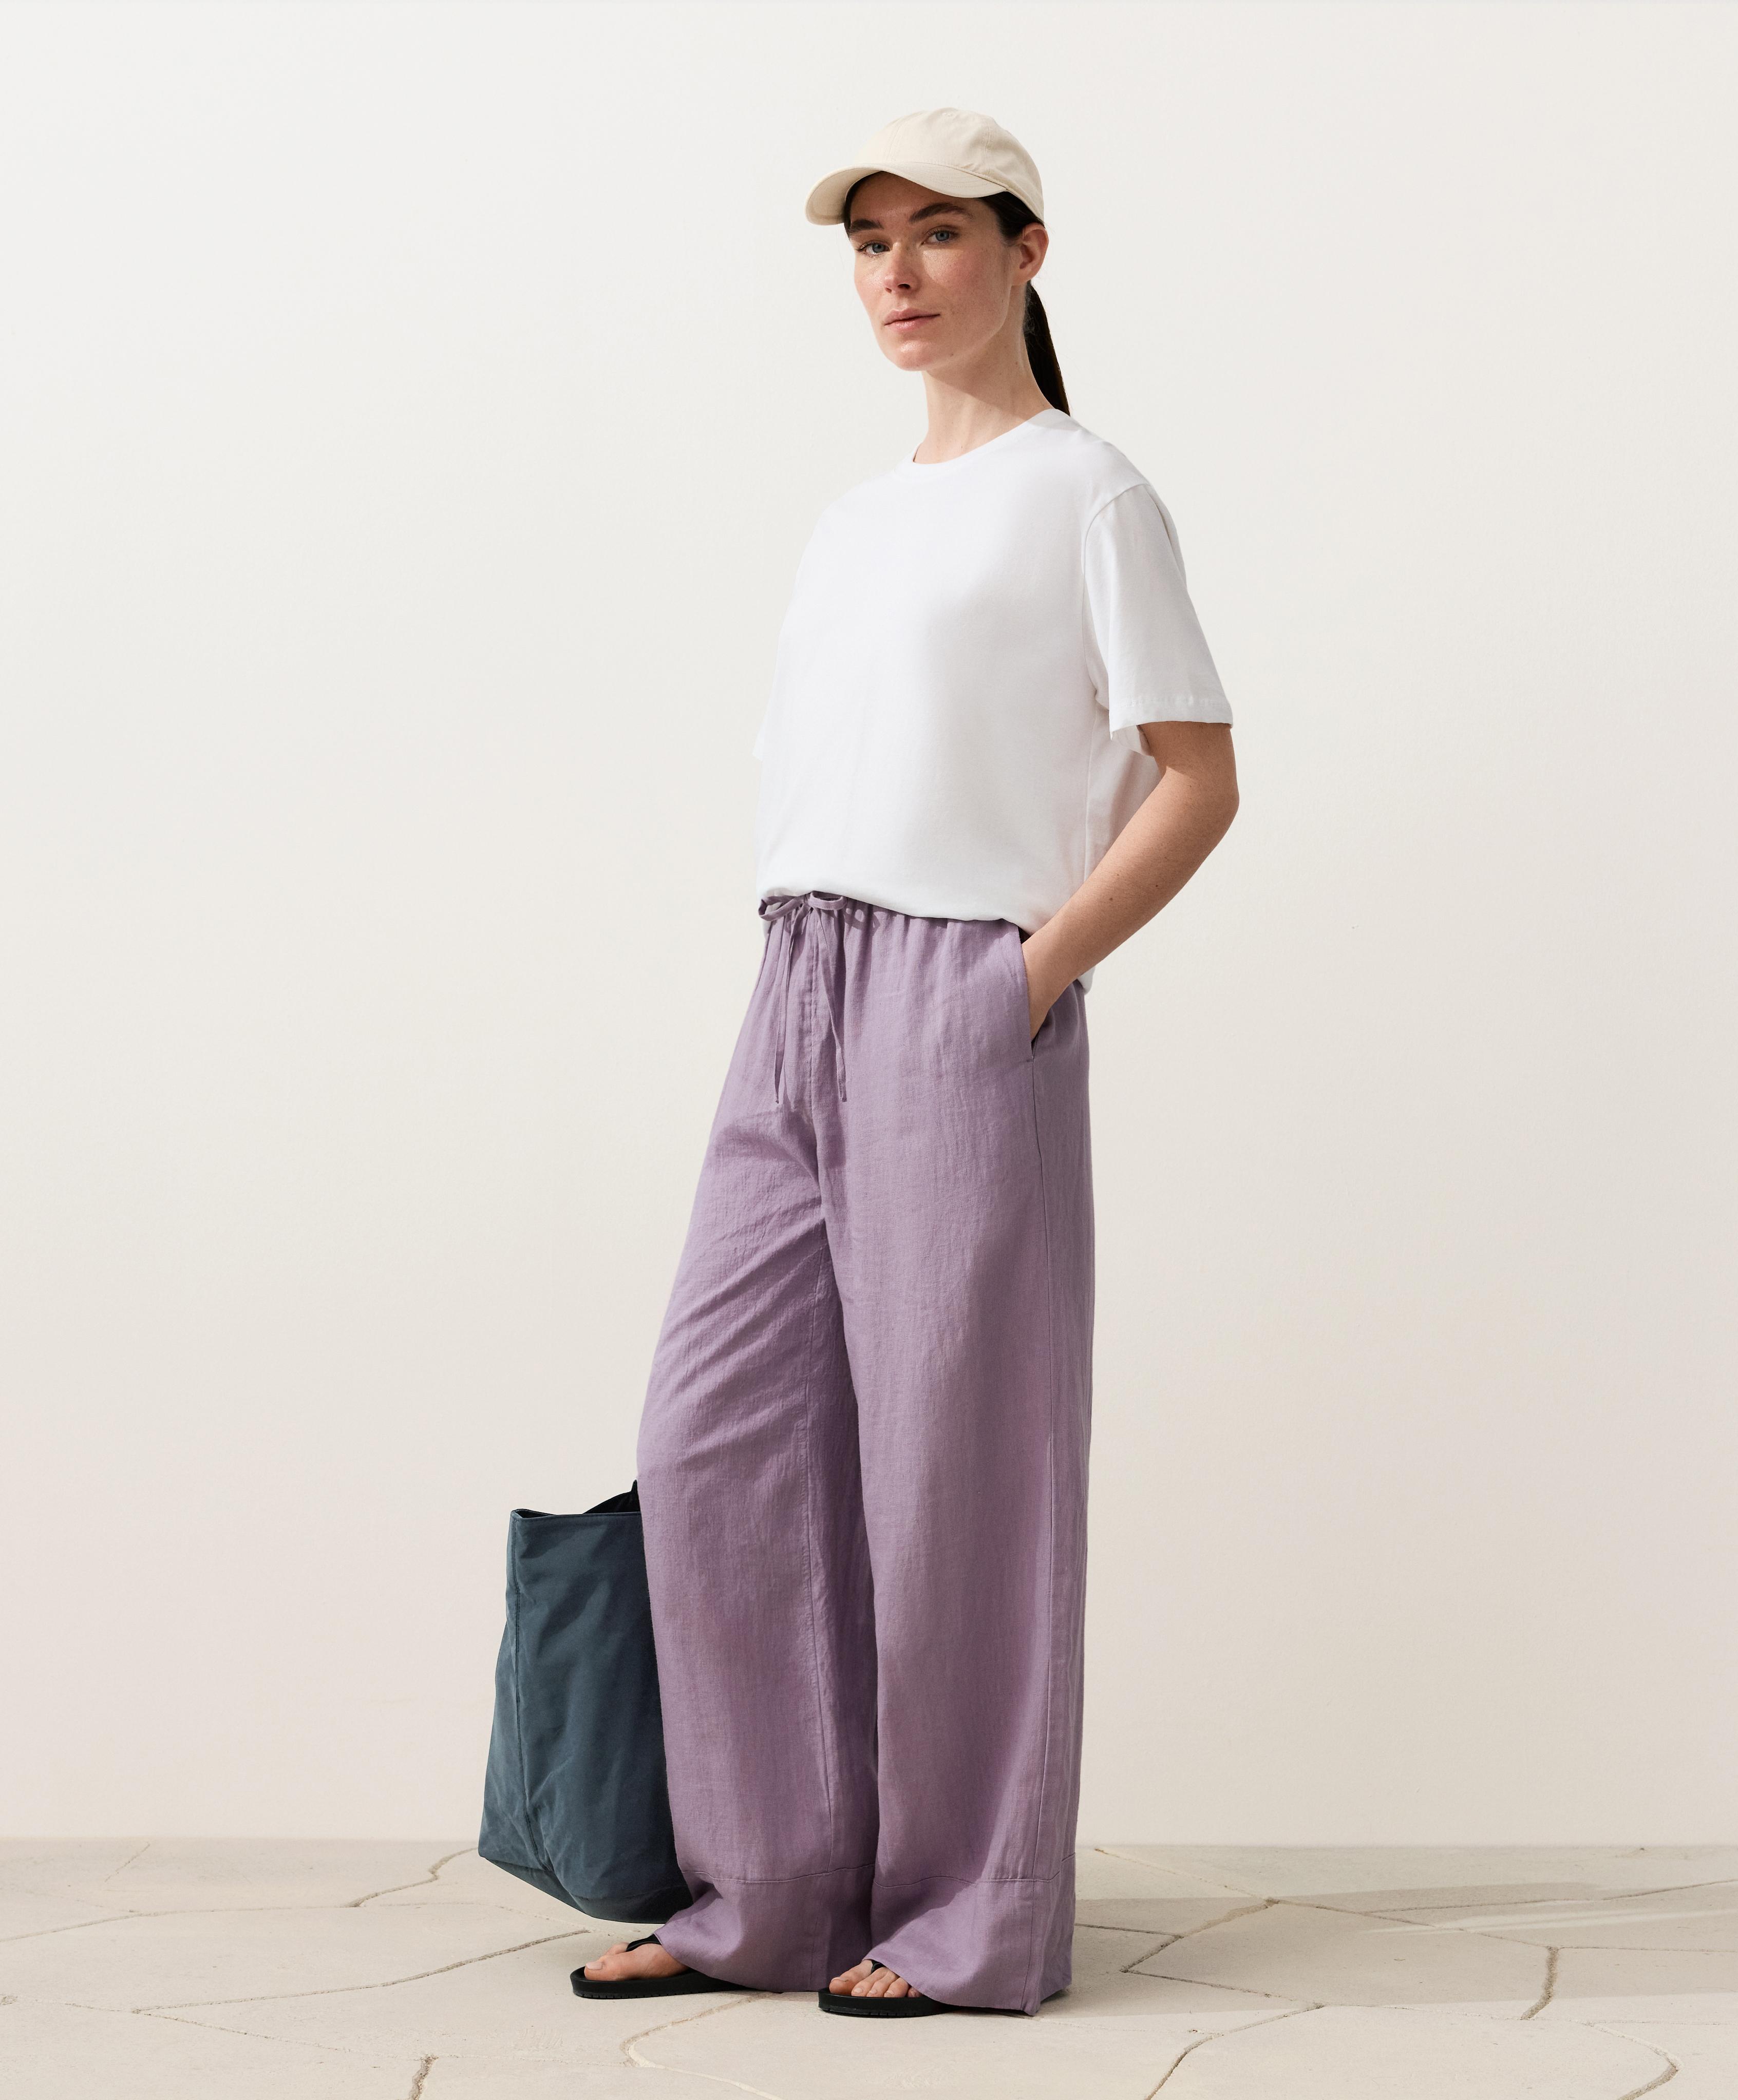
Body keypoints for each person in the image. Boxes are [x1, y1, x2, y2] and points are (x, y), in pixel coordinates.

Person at [575, 107, 1239, 2018]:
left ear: (1026, 252)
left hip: (961, 983)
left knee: (960, 1469)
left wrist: (1023, 981)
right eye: (870, 241)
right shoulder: (854, 521)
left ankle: (967, 1915)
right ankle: (771, 1890)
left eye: (939, 232)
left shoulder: (1089, 495)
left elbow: (1199, 778)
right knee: (716, 1436)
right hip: (795, 980)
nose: (897, 271)